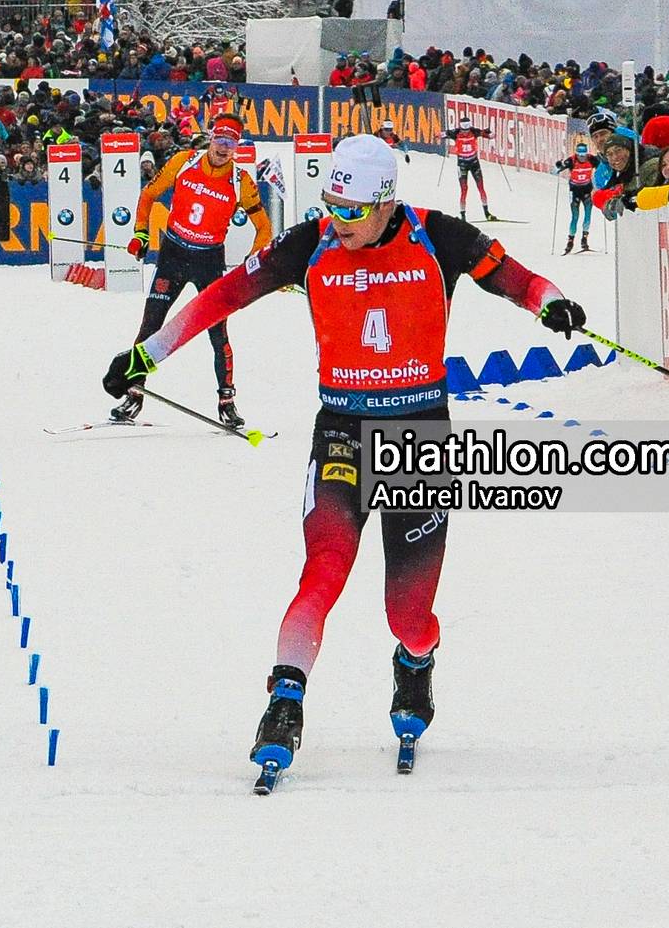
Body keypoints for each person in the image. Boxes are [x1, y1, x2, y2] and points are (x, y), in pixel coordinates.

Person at [102, 135, 584, 785]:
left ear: (386, 201)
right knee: (322, 571)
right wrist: (146, 355)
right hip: (342, 430)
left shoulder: (439, 236)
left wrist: (550, 303)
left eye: (353, 210)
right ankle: (285, 701)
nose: (340, 220)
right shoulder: (311, 243)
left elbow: (519, 280)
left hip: (417, 436)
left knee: (406, 616)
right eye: (332, 204)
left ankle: (416, 660)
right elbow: (223, 295)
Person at [112, 114, 272, 429]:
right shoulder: (184, 162)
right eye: (220, 140)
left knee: (217, 332)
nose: (223, 149)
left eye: (231, 144)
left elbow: (264, 228)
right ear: (211, 139)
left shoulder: (241, 181)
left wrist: (251, 263)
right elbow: (148, 195)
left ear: (236, 147)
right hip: (173, 255)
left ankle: (226, 401)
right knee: (151, 326)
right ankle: (134, 394)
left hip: (208, 262)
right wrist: (140, 233)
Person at [443, 114, 495, 220]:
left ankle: (487, 213)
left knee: (481, 187)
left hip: (474, 163)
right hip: (462, 165)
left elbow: (491, 136)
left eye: (467, 130)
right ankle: (463, 216)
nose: (465, 132)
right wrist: (444, 134)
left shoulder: (474, 131)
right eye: (463, 130)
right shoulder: (455, 133)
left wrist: (489, 132)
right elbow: (440, 135)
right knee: (464, 190)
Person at [552, 137, 596, 253]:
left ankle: (584, 239)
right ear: (576, 153)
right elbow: (555, 171)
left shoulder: (592, 159)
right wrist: (558, 166)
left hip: (587, 191)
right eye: (580, 154)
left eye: (584, 154)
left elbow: (603, 166)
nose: (582, 157)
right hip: (575, 192)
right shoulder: (571, 160)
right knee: (575, 217)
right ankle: (570, 241)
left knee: (587, 216)